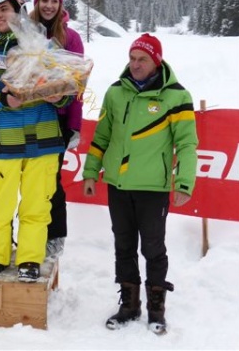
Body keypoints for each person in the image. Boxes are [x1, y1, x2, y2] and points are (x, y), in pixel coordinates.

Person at [82, 33, 198, 334]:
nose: (135, 65)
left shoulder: (176, 96)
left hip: (153, 189)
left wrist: (184, 183)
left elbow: (186, 145)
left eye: (142, 59)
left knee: (153, 248)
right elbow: (102, 137)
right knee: (123, 245)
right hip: (118, 186)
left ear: (156, 61)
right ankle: (129, 305)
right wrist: (91, 172)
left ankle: (156, 308)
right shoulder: (115, 92)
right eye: (132, 58)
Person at [0, 0, 70, 282]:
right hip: (3, 143)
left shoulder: (42, 47)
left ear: (19, 11)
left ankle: (29, 260)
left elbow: (66, 90)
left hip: (44, 140)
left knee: (37, 206)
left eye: (5, 9)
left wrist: (56, 97)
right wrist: (1, 101)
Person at [30, 0, 85, 260]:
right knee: (29, 180)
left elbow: (78, 83)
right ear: (37, 3)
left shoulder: (71, 37)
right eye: (44, 0)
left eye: (54, 1)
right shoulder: (26, 32)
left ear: (60, 4)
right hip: (27, 117)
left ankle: (55, 234)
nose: (49, 6)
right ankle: (30, 233)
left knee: (51, 179)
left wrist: (75, 125)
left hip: (58, 118)